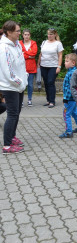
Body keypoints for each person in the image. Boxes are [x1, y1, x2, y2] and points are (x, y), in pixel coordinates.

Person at [0, 21, 27, 154]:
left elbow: (20, 65)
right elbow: (8, 71)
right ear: (9, 32)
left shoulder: (16, 45)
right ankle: (7, 146)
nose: (19, 33)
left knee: (16, 113)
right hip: (10, 86)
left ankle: (12, 137)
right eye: (17, 31)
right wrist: (19, 82)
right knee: (12, 114)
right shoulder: (4, 48)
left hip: (19, 85)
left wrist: (24, 78)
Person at [38, 28, 64, 108]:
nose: (49, 36)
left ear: (55, 35)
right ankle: (48, 100)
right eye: (48, 34)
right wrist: (38, 63)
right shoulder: (44, 42)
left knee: (50, 82)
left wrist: (59, 66)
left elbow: (60, 55)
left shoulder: (58, 43)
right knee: (45, 83)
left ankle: (52, 101)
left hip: (53, 66)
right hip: (43, 65)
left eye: (51, 34)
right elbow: (41, 53)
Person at [59, 53, 77, 139]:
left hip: (70, 98)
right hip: (74, 99)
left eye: (67, 61)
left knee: (66, 114)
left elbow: (70, 88)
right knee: (75, 113)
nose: (64, 63)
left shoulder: (71, 73)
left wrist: (65, 98)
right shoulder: (74, 71)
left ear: (73, 63)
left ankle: (68, 132)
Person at [20, 29, 38, 107]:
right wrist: (29, 56)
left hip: (31, 67)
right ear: (23, 35)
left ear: (30, 35)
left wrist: (24, 53)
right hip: (21, 67)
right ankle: (21, 101)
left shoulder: (33, 43)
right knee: (22, 85)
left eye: (28, 34)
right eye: (25, 34)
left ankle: (29, 100)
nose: (27, 36)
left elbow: (34, 53)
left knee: (30, 85)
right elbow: (19, 54)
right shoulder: (19, 43)